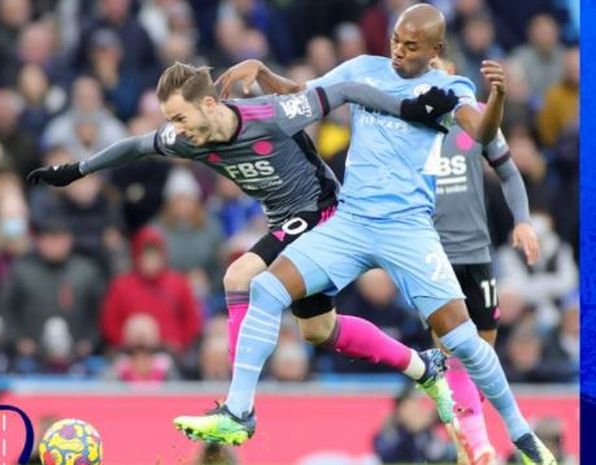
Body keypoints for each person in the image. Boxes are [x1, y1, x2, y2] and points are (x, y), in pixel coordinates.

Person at [177, 5, 556, 464]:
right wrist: (264, 73)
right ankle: (238, 412)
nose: (398, 50)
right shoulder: (363, 68)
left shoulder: (450, 87)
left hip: (408, 228)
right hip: (352, 221)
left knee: (462, 341)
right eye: (396, 39)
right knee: (265, 286)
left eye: (411, 45)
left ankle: (521, 436)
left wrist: (496, 96)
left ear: (435, 50)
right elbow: (305, 94)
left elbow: (481, 133)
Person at [28, 61, 461, 416]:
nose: (176, 128)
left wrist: (409, 110)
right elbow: (135, 146)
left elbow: (345, 90)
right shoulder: (187, 140)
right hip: (283, 222)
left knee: (239, 275)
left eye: (180, 116)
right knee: (318, 332)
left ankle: (238, 407)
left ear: (211, 104)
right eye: (170, 120)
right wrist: (76, 170)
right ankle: (422, 366)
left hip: (322, 208)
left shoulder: (271, 114)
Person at [429, 56, 539, 465]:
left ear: (451, 68)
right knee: (453, 356)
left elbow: (510, 174)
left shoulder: (474, 118)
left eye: (437, 62)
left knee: (481, 363)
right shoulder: (405, 122)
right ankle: (469, 451)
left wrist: (523, 221)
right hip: (431, 256)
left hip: (477, 253)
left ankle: (472, 446)